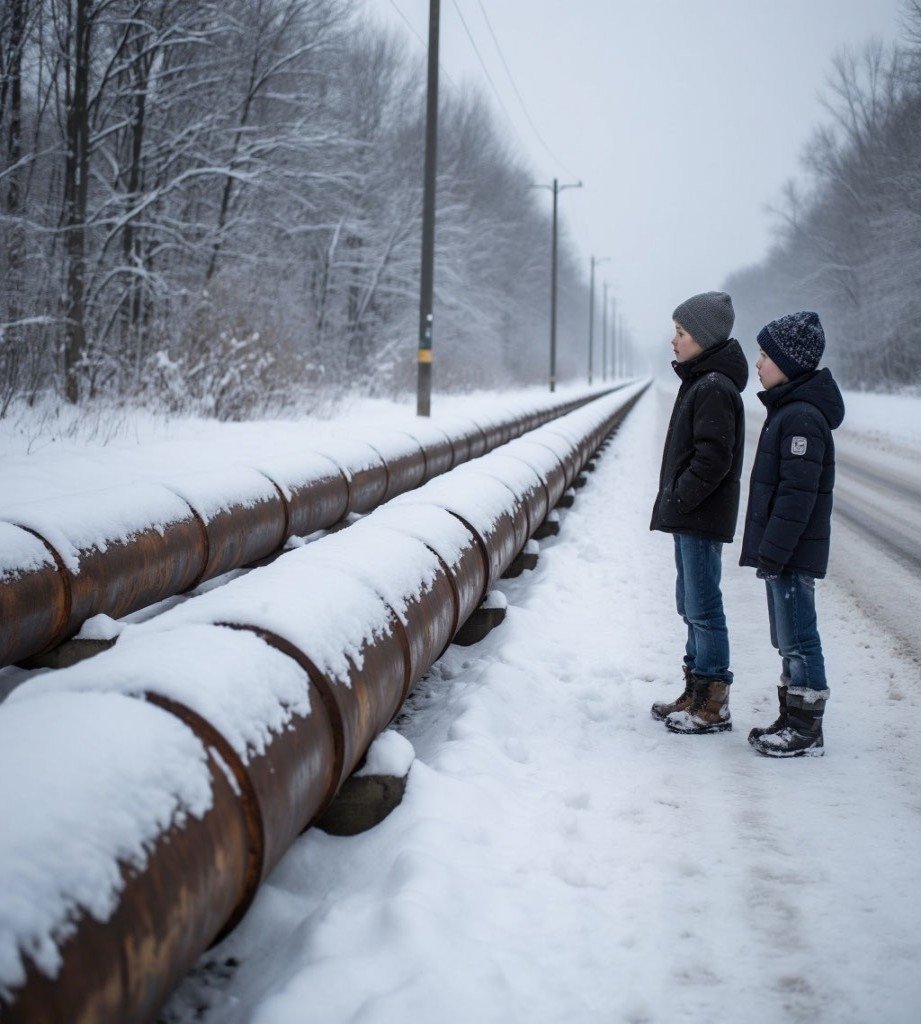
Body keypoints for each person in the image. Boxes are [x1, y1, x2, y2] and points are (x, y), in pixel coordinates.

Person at [740, 311, 844, 757]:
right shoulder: (788, 410)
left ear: (790, 363)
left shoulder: (801, 417)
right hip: (784, 553)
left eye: (765, 355)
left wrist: (775, 552)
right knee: (787, 639)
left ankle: (806, 729)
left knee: (800, 637)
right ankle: (792, 715)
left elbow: (796, 497)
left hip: (793, 554)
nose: (758, 363)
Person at [649, 291, 748, 734]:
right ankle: (694, 690)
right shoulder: (701, 381)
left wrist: (680, 497)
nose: (674, 340)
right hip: (691, 515)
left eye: (681, 332)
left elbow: (713, 459)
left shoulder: (712, 387)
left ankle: (713, 703)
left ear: (704, 338)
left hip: (700, 517)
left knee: (704, 608)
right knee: (690, 604)